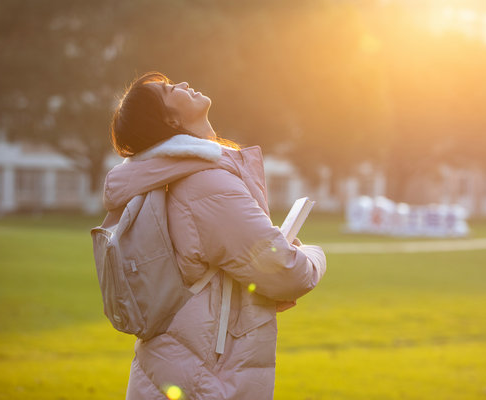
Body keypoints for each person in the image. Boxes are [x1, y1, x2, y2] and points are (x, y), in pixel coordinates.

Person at [104, 71, 327, 400]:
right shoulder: (205, 184)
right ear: (169, 119)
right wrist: (315, 254)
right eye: (168, 90)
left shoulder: (182, 177)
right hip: (205, 380)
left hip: (186, 370)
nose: (181, 84)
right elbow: (286, 271)